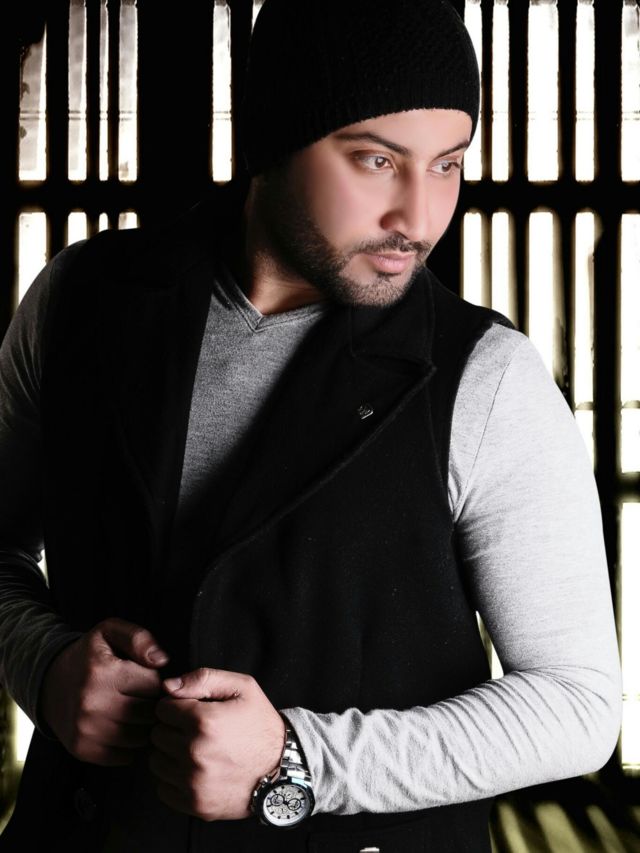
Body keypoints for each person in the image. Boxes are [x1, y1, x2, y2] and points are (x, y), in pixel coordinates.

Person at [0, 0, 622, 850]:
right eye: (376, 159)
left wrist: (302, 758)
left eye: (448, 163)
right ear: (274, 142)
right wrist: (43, 661)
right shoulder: (78, 301)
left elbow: (578, 703)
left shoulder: (487, 375)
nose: (418, 217)